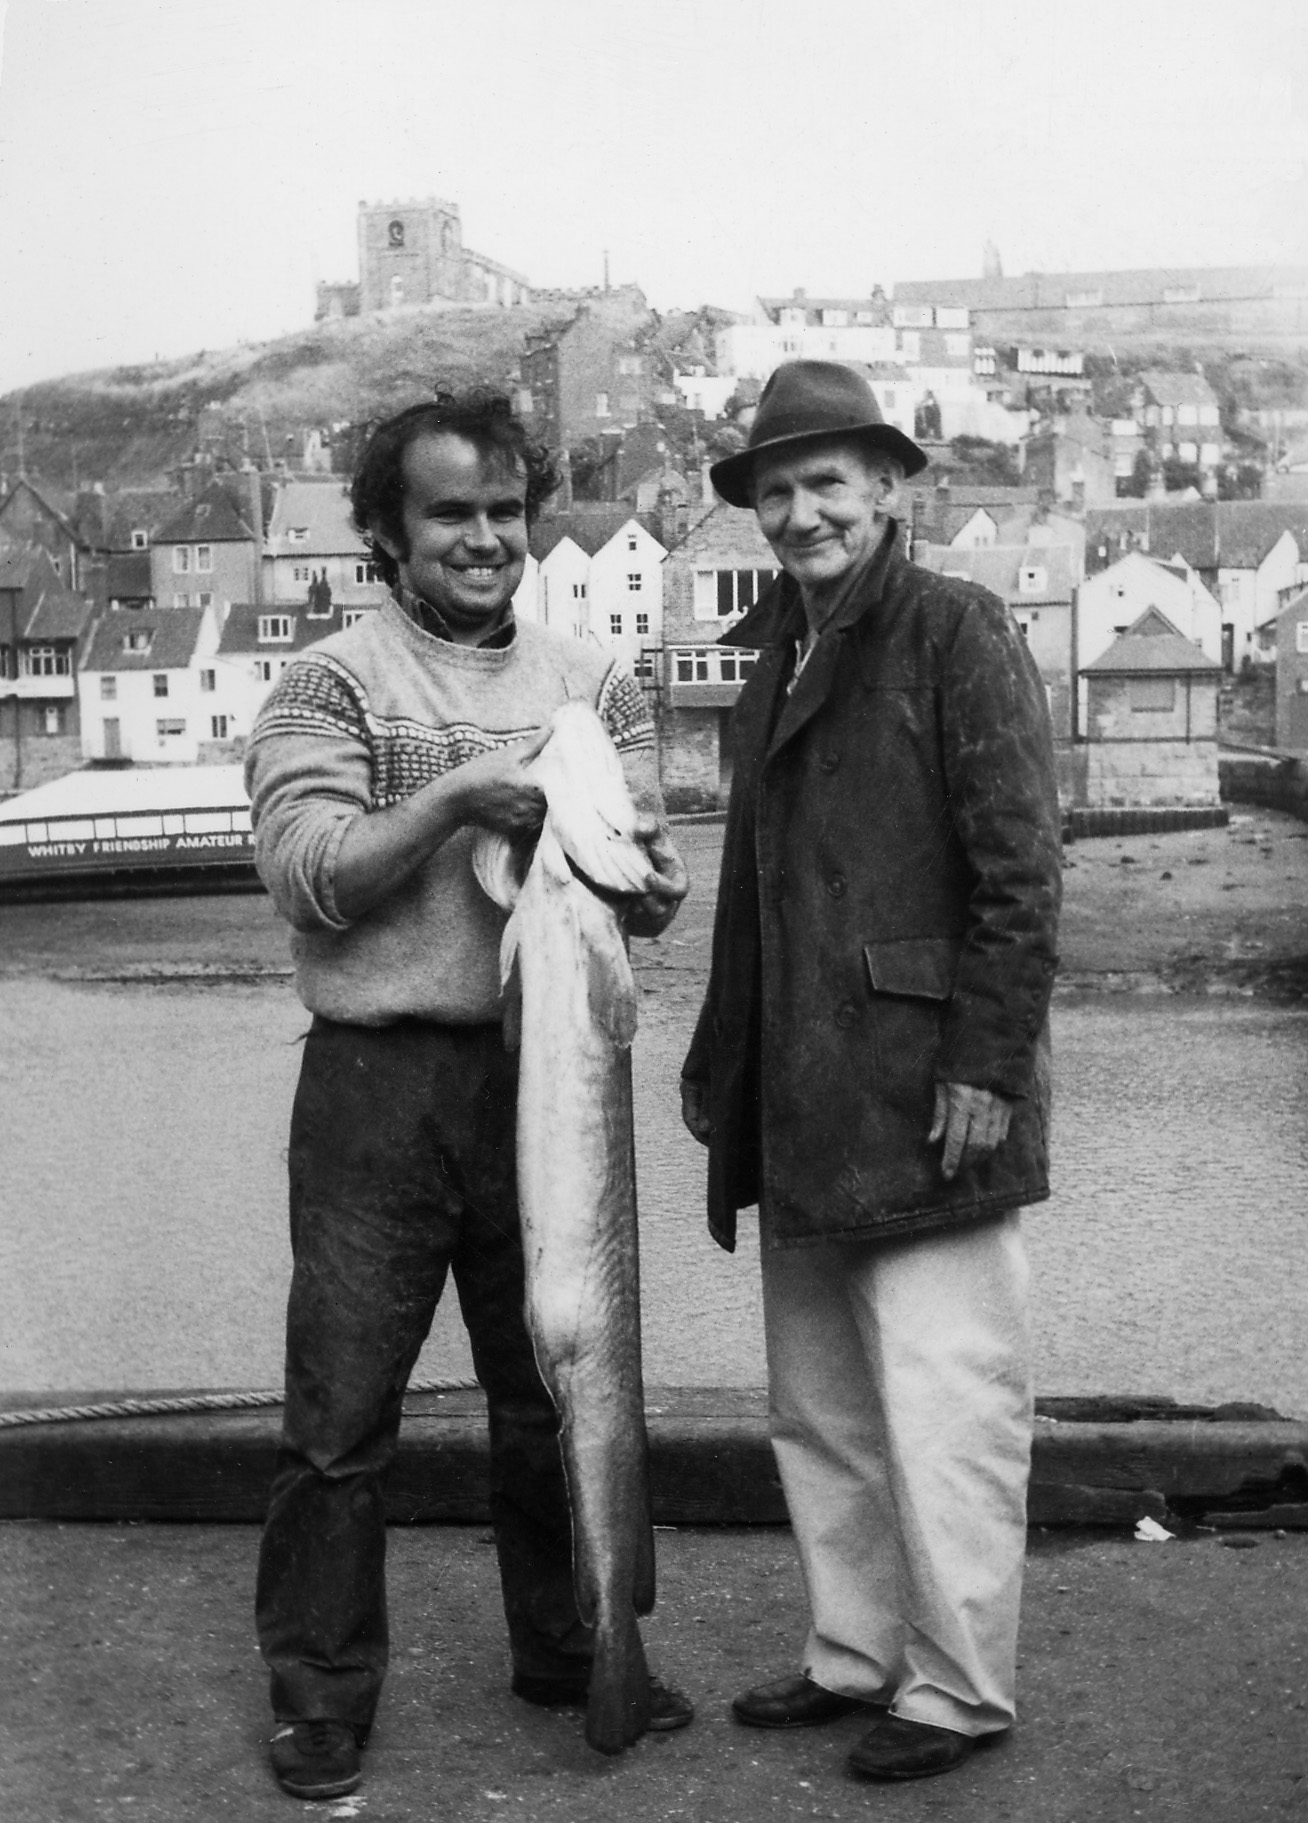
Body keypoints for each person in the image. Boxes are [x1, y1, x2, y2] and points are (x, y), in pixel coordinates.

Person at [247, 391, 691, 1802]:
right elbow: (309, 873)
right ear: (389, 531)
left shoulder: (593, 679)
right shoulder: (327, 682)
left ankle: (574, 1646)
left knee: (555, 1388)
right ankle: (320, 1693)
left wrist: (655, 886)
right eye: (452, 513)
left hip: (549, 1073)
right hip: (379, 1086)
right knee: (340, 1411)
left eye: (507, 511)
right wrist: (451, 804)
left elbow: (642, 868)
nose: (487, 538)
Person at [680, 361, 1061, 1784]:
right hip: (799, 1097)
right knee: (821, 1405)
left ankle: (958, 1691)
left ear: (890, 488)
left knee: (949, 1405)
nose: (798, 511)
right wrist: (722, 1059)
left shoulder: (955, 627)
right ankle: (854, 1657)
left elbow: (1021, 870)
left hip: (924, 1089)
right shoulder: (773, 641)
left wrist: (988, 1061)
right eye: (776, 489)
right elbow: (752, 893)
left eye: (826, 482)